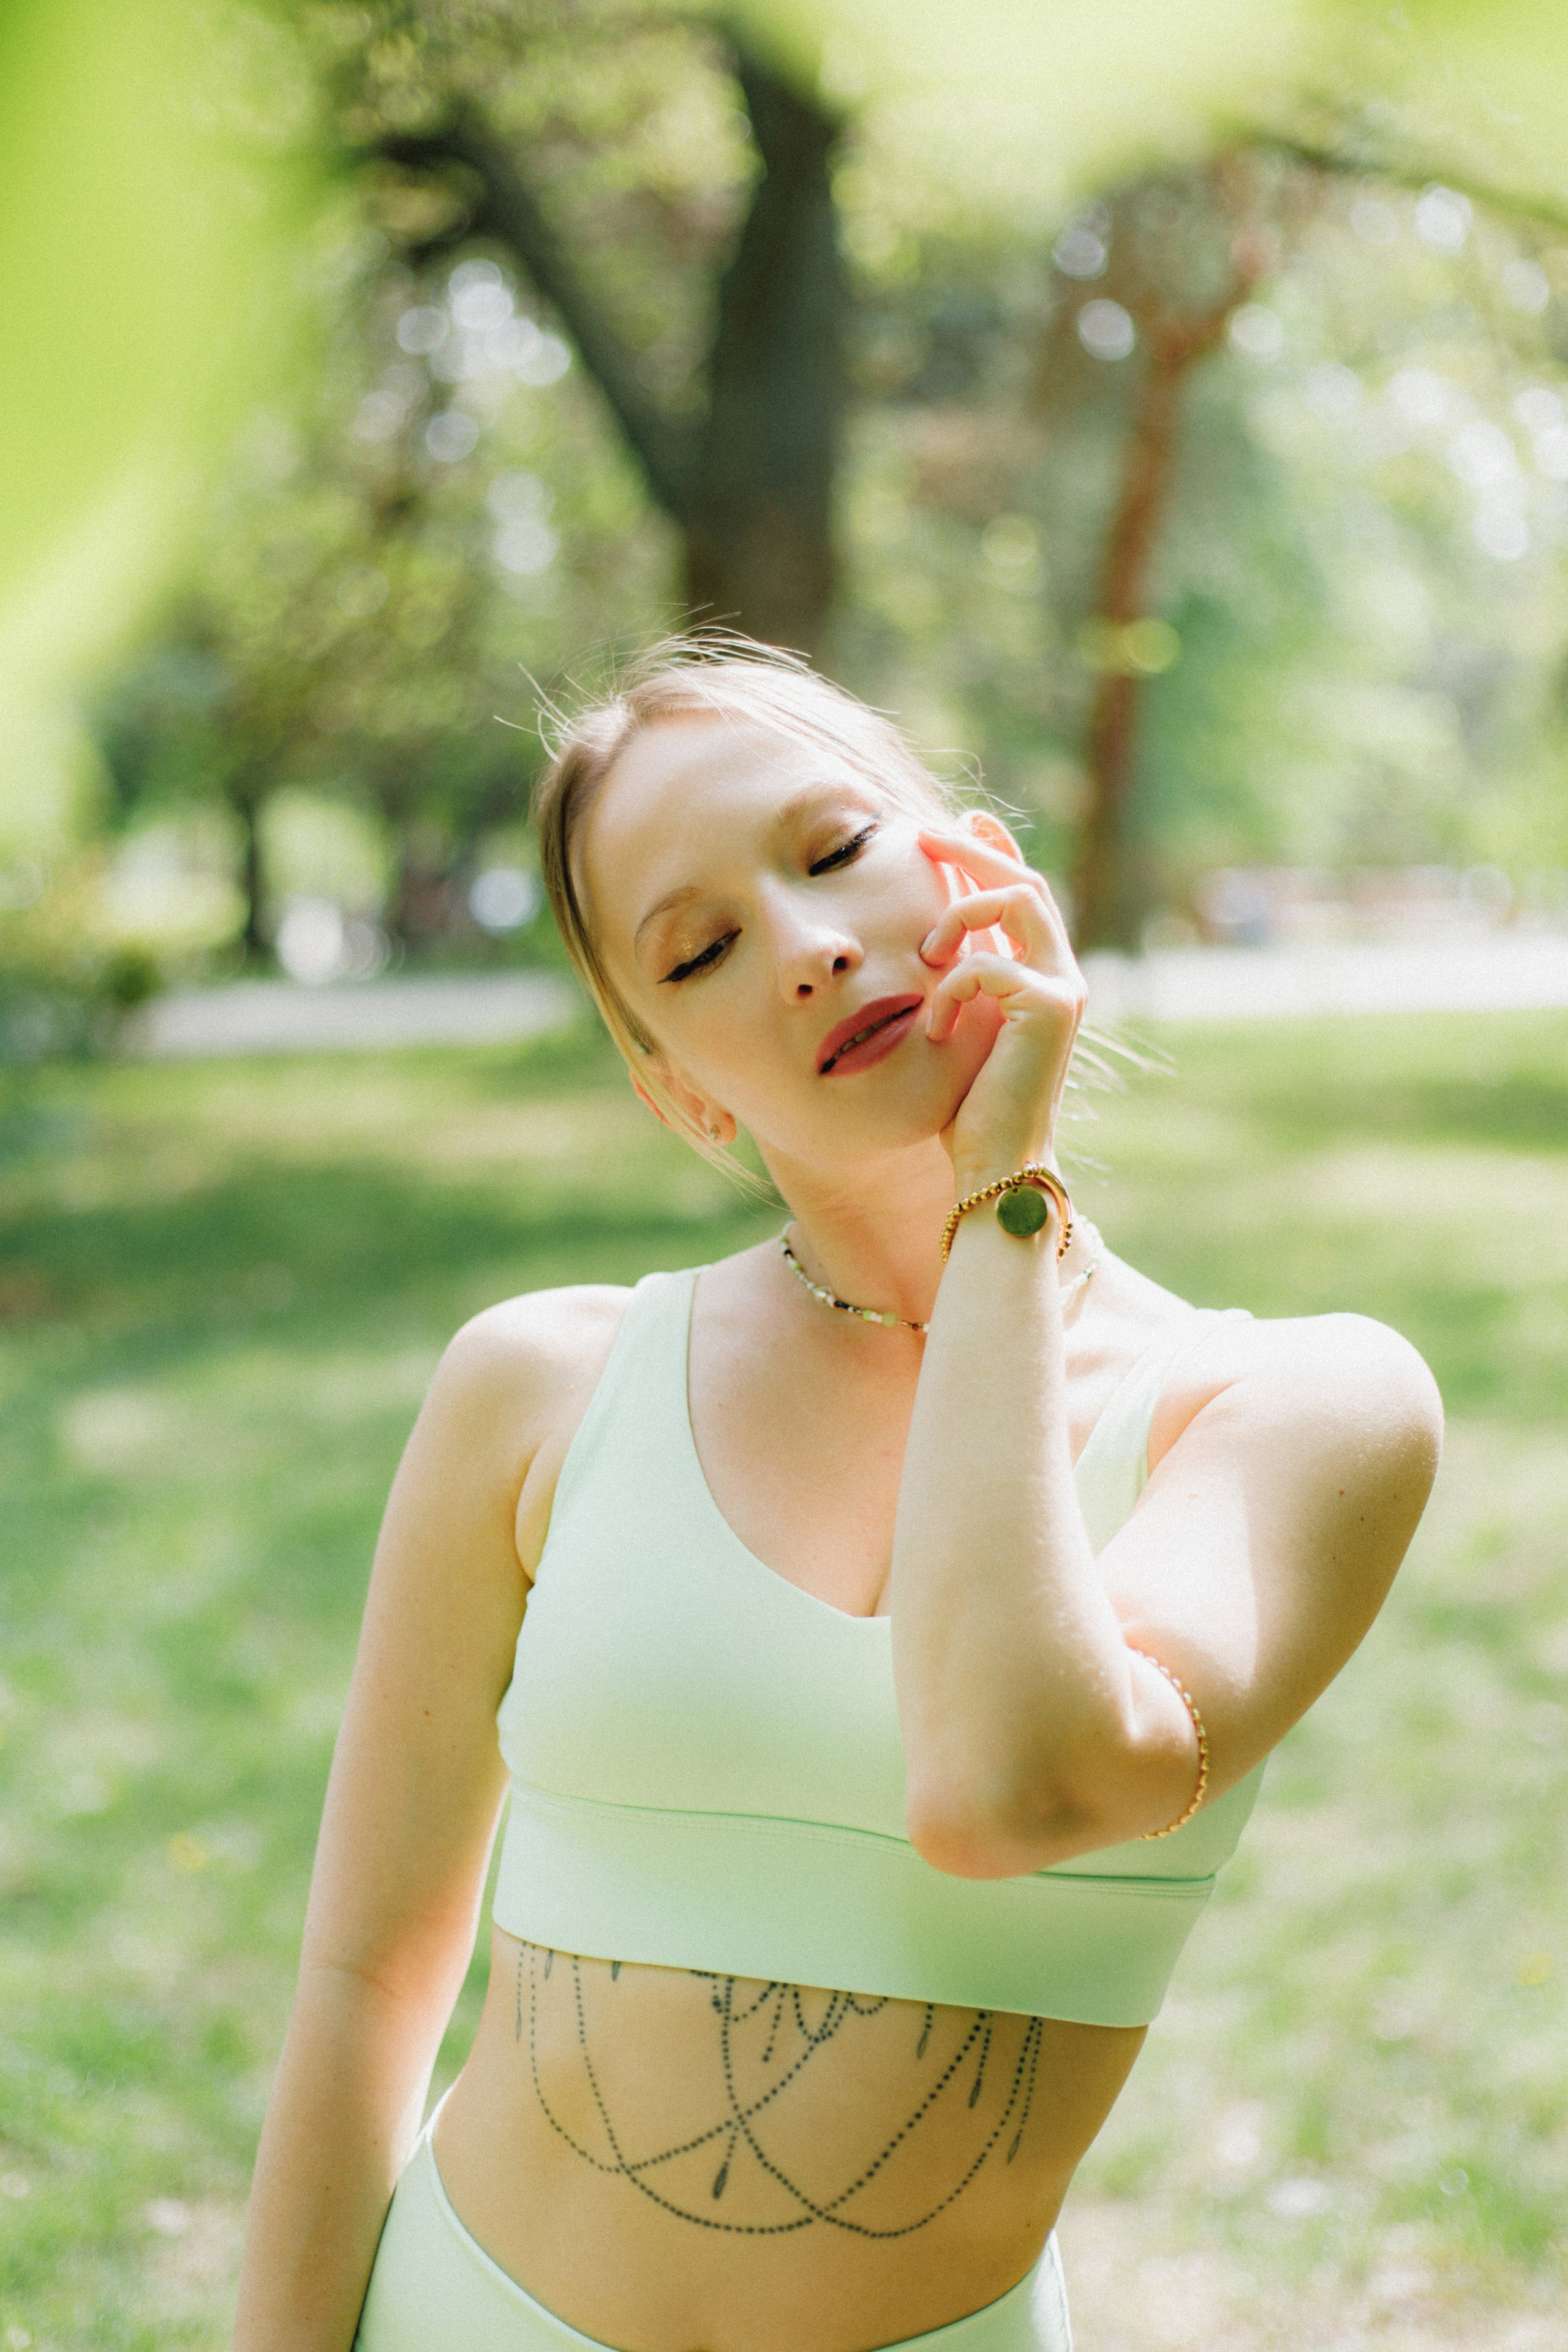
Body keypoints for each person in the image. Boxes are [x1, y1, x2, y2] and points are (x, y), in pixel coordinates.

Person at [232, 638, 1442, 2352]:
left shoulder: (1294, 1407)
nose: (807, 950)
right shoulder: (540, 1388)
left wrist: (994, 1206)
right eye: (703, 948)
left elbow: (1003, 1787)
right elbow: (365, 1984)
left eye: (832, 852)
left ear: (979, 870)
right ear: (672, 1081)